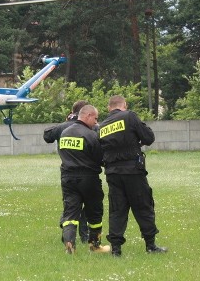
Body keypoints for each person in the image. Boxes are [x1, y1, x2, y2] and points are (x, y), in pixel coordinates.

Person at [98, 95, 167, 256]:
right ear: (124, 105)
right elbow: (148, 138)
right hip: (132, 171)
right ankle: (151, 245)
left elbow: (101, 150)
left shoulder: (102, 125)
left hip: (112, 173)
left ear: (109, 108)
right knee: (143, 206)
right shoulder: (129, 116)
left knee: (117, 209)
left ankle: (116, 249)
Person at [56, 104, 108, 254]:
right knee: (95, 212)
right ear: (87, 116)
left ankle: (69, 243)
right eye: (95, 119)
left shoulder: (64, 133)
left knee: (70, 213)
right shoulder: (91, 135)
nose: (96, 123)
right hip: (88, 178)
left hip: (67, 178)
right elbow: (100, 157)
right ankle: (95, 245)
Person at [44, 100, 90, 243]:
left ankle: (67, 236)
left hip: (67, 172)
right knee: (87, 206)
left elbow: (47, 136)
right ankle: (85, 236)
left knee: (70, 205)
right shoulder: (90, 128)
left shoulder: (63, 127)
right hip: (88, 173)